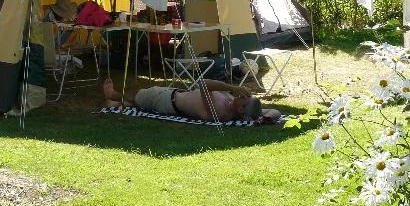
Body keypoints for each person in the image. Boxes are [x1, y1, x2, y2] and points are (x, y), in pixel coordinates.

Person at [103, 78, 279, 123]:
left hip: (166, 101)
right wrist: (266, 118)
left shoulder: (218, 111)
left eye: (245, 99)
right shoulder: (237, 107)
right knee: (138, 100)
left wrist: (232, 88)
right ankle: (116, 104)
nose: (242, 96)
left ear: (241, 110)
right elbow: (276, 112)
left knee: (138, 94)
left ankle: (113, 95)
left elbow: (204, 84)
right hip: (173, 95)